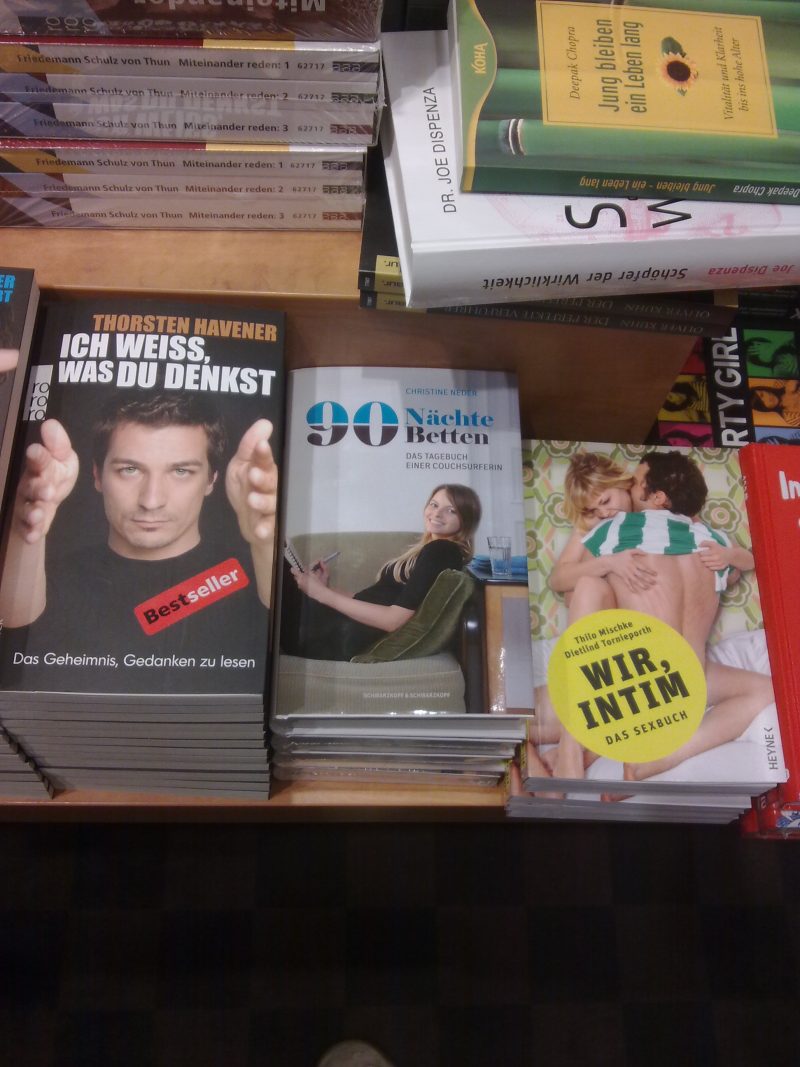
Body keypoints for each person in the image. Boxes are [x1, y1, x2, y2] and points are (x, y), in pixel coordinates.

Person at [0, 392, 278, 692]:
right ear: (97, 474)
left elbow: (285, 625)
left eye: (181, 471)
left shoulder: (256, 579)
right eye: (129, 470)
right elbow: (15, 630)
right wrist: (22, 531)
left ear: (211, 479)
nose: (151, 500)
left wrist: (266, 542)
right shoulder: (49, 579)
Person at [531, 450, 773, 786]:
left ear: (656, 497)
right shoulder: (714, 542)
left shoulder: (618, 529)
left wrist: (603, 560)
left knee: (586, 588)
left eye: (635, 482)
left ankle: (574, 747)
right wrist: (731, 555)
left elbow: (562, 581)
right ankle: (657, 759)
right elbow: (735, 572)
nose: (629, 486)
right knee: (766, 691)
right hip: (689, 682)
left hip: (637, 679)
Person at [281, 483, 481, 662]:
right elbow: (371, 599)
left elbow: (392, 621)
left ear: (467, 519)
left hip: (338, 638)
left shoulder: (441, 550)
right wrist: (324, 588)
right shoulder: (435, 551)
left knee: (278, 568)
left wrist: (321, 594)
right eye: (434, 505)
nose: (437, 514)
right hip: (337, 628)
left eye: (451, 510)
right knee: (281, 569)